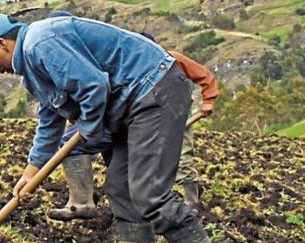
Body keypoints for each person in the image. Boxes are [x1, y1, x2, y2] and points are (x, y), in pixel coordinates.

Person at [0, 13, 237, 243]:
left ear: (3, 44)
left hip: (154, 91)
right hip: (131, 106)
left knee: (150, 192)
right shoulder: (35, 68)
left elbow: (93, 86)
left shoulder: (41, 44)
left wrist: (89, 126)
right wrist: (30, 172)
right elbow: (49, 121)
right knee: (120, 187)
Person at [48, 46, 217, 219]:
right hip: (134, 112)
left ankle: (191, 201)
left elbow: (204, 74)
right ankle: (117, 199)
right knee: (118, 152)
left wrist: (208, 100)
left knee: (183, 155)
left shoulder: (170, 58)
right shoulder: (123, 64)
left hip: (174, 108)